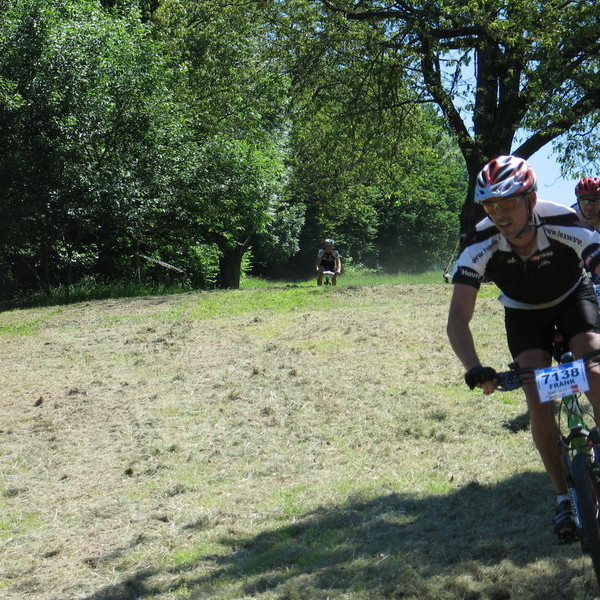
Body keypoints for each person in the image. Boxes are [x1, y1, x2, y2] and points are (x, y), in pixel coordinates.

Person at [446, 155, 600, 543]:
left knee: (595, 370)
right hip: (523, 314)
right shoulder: (480, 242)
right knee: (538, 398)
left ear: (531, 198)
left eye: (508, 202)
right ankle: (564, 496)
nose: (499, 213)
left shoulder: (566, 222)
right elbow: (458, 318)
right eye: (489, 206)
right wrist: (474, 367)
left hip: (572, 299)